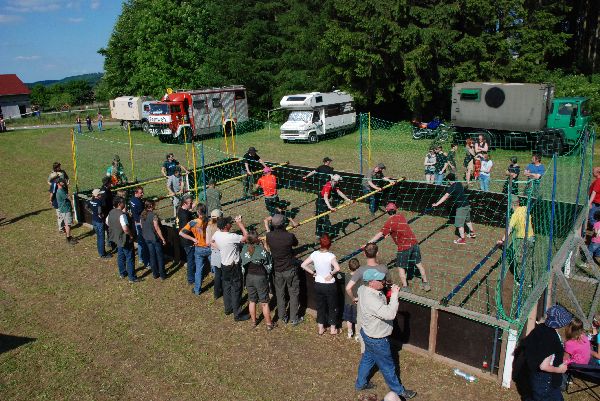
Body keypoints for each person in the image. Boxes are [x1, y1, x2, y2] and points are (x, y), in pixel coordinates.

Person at [354, 269, 417, 400]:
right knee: (388, 367)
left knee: (368, 359)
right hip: (378, 339)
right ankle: (399, 392)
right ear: (371, 283)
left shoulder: (362, 289)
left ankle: (360, 384)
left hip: (367, 333)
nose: (384, 281)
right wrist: (394, 295)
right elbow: (390, 314)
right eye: (380, 280)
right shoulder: (371, 299)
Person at [368, 203, 431, 292]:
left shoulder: (389, 223)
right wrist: (390, 232)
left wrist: (369, 242)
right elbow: (398, 227)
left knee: (401, 268)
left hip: (404, 248)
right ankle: (425, 283)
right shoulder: (401, 216)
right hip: (414, 243)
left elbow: (380, 234)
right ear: (396, 210)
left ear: (386, 211)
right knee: (419, 264)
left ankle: (405, 287)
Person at [521, 304, 572, 401]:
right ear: (561, 323)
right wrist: (560, 370)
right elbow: (543, 366)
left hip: (536, 376)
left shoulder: (541, 328)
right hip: (546, 380)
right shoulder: (551, 339)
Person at [300, 234, 341, 335]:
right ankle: (333, 329)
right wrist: (331, 274)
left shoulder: (314, 254)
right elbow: (338, 268)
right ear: (329, 245)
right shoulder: (331, 256)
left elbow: (303, 265)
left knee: (320, 306)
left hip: (318, 284)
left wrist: (313, 273)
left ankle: (321, 328)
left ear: (320, 244)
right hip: (329, 285)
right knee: (332, 306)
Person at [212, 215, 250, 321]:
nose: (231, 224)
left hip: (224, 265)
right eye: (229, 223)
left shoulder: (217, 234)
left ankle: (228, 308)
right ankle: (237, 314)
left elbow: (212, 242)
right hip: (234, 266)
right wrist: (240, 224)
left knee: (227, 287)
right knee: (236, 288)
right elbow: (246, 236)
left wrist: (221, 248)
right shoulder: (231, 236)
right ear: (225, 226)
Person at [266, 214, 301, 325]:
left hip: (277, 270)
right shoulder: (289, 236)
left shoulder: (269, 236)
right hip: (289, 268)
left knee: (280, 293)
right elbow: (296, 243)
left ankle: (282, 316)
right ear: (283, 224)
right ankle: (294, 318)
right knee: (293, 293)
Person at [241, 230, 275, 330]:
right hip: (260, 278)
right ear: (257, 239)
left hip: (249, 277)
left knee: (252, 300)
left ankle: (253, 322)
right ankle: (269, 324)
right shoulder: (261, 250)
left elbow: (242, 262)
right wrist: (265, 245)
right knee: (264, 302)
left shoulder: (244, 248)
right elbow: (269, 262)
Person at [497, 198, 535, 283]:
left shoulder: (514, 215)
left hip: (522, 240)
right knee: (529, 259)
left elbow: (509, 229)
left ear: (511, 205)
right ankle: (529, 281)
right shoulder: (525, 208)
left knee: (519, 260)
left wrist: (502, 240)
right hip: (531, 238)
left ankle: (520, 280)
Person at [432, 173, 476, 244]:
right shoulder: (459, 184)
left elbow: (445, 196)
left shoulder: (452, 187)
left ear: (449, 180)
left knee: (459, 224)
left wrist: (437, 204)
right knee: (467, 220)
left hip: (461, 207)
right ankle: (472, 233)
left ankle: (462, 239)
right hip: (467, 204)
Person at [107, 197, 141, 282]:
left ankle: (122, 273)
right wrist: (131, 235)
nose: (124, 204)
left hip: (117, 238)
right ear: (119, 204)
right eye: (123, 203)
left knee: (121, 255)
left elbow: (107, 222)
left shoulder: (111, 212)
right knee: (130, 257)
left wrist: (115, 228)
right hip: (125, 239)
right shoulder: (122, 215)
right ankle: (132, 277)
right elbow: (125, 228)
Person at [179, 204, 210, 296]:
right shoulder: (210, 221)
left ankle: (197, 289)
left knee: (199, 270)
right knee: (215, 268)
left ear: (197, 212)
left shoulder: (192, 222)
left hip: (199, 248)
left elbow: (181, 233)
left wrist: (193, 239)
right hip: (209, 247)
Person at [141, 200, 167, 280]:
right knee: (159, 256)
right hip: (154, 239)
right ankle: (162, 274)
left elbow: (142, 226)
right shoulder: (154, 215)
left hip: (147, 238)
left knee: (152, 256)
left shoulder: (142, 214)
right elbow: (157, 228)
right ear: (151, 206)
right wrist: (163, 239)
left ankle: (155, 274)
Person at [176, 195, 197, 285]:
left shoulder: (181, 210)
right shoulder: (185, 215)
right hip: (188, 242)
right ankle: (191, 279)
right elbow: (183, 232)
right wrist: (193, 239)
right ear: (185, 203)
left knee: (191, 259)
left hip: (184, 241)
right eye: (190, 203)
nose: (192, 204)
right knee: (191, 260)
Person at [129, 187, 150, 270]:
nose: (142, 194)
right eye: (141, 193)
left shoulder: (132, 199)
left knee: (140, 241)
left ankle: (141, 258)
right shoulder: (139, 203)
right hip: (139, 223)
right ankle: (145, 260)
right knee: (143, 242)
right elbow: (143, 213)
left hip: (135, 221)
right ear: (136, 193)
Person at [87, 188, 111, 258]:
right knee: (101, 238)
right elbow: (99, 211)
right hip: (99, 222)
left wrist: (92, 213)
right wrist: (101, 216)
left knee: (98, 237)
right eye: (100, 194)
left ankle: (100, 251)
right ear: (97, 195)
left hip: (94, 220)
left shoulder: (91, 201)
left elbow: (86, 207)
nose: (102, 195)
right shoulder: (99, 202)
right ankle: (103, 254)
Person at [206, 209, 223, 299]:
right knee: (223, 274)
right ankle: (223, 290)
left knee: (217, 274)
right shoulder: (220, 227)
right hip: (221, 252)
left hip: (213, 252)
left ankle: (216, 294)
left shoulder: (208, 227)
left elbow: (207, 242)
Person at [56, 178, 78, 245]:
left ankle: (69, 236)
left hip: (66, 209)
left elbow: (66, 191)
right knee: (68, 224)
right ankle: (68, 238)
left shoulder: (62, 189)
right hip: (65, 210)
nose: (64, 183)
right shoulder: (60, 191)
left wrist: (67, 185)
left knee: (67, 224)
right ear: (58, 183)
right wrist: (70, 196)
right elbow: (69, 197)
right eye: (62, 182)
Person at [343, 258, 361, 339]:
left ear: (349, 267)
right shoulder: (361, 277)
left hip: (348, 301)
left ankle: (349, 333)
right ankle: (357, 334)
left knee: (349, 319)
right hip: (357, 302)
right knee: (357, 320)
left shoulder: (347, 276)